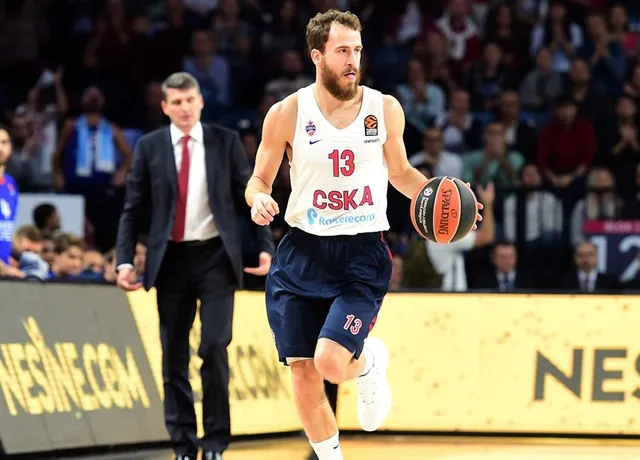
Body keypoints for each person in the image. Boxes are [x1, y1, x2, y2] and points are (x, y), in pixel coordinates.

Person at [244, 10, 484, 460]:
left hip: (361, 253)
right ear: (317, 56)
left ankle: (370, 361)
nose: (352, 60)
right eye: (342, 51)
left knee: (331, 363)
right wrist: (258, 199)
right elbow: (258, 180)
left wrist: (447, 199)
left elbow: (401, 173)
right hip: (301, 252)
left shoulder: (384, 108)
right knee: (303, 372)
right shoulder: (287, 113)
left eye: (356, 50)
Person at [115, 72, 275, 460]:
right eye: (177, 102)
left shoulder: (225, 141)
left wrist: (264, 246)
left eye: (190, 100)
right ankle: (184, 445)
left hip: (216, 257)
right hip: (170, 260)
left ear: (201, 101)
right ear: (164, 107)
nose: (185, 108)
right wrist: (123, 261)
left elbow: (250, 195)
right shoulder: (149, 146)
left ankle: (216, 442)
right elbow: (133, 209)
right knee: (174, 355)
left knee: (215, 345)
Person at [0, 124, 23, 279]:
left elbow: (6, 229)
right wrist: (4, 269)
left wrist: (24, 255)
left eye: (4, 142)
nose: (0, 148)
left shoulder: (10, 184)